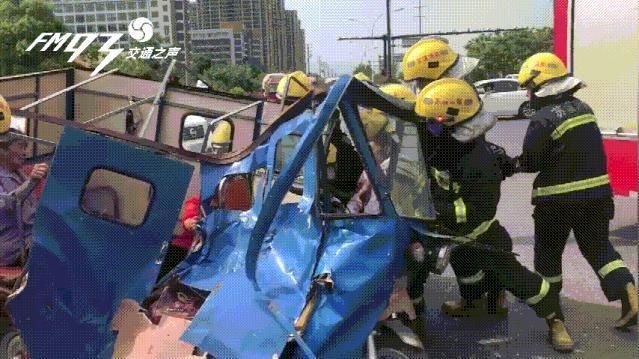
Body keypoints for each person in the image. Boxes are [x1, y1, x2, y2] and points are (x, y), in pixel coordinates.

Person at [415, 78, 573, 352]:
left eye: (433, 124)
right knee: (466, 275)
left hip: (483, 236)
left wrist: (433, 208)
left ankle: (555, 320)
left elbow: (474, 212)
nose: (428, 130)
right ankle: (472, 304)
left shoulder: (478, 161)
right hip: (456, 237)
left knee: (524, 283)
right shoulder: (446, 143)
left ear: (453, 123)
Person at [512, 52, 637, 330]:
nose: (529, 95)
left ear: (539, 86)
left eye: (530, 89)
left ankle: (552, 310)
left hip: (557, 200)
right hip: (598, 195)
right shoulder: (584, 108)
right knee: (599, 248)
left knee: (548, 253)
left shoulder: (543, 118)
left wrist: (511, 165)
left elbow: (531, 161)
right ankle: (627, 290)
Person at [401, 37, 509, 316]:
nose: (420, 87)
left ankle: (492, 295)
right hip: (454, 180)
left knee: (467, 242)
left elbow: (443, 144)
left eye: (423, 81)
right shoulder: (445, 93)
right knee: (466, 247)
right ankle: (476, 298)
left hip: (463, 184)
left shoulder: (452, 95)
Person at [0, 95, 49, 267]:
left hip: (33, 237)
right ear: (3, 150)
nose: (25, 153)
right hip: (13, 246)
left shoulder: (19, 174)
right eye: (21, 146)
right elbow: (7, 203)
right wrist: (32, 181)